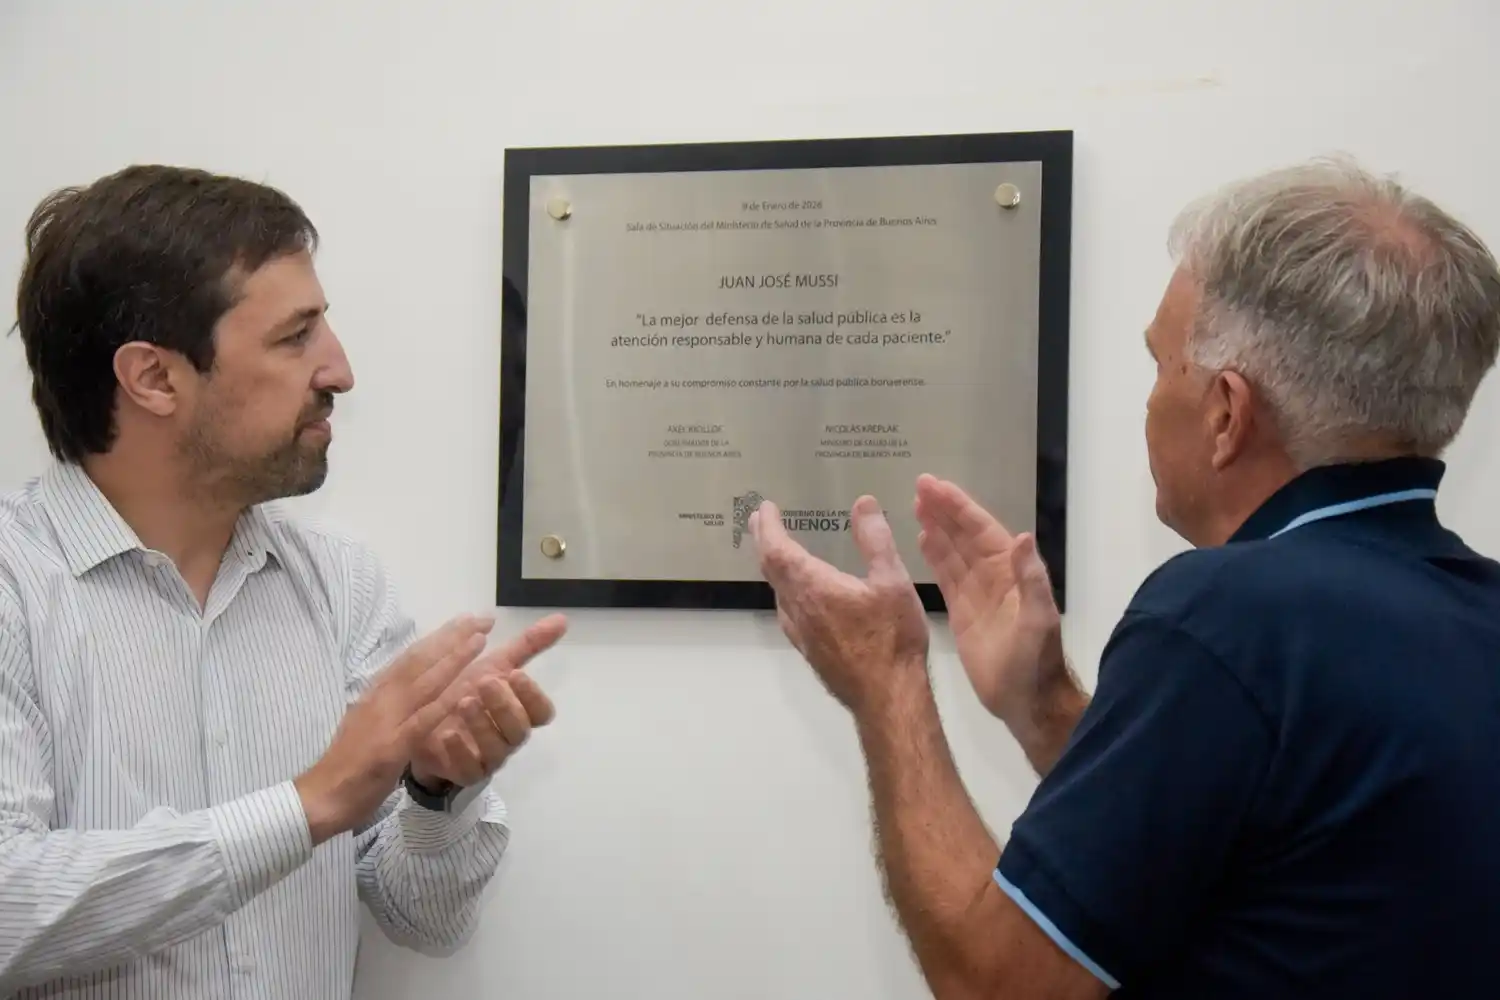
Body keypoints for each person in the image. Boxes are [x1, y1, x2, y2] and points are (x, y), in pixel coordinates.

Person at [748, 157, 1500, 999]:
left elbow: (998, 986)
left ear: (1225, 412)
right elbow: (1265, 839)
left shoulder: (1227, 616)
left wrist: (885, 683)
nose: (1149, 401)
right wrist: (1043, 708)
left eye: (1158, 364)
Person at [0, 165, 567, 998]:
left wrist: (436, 791)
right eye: (294, 336)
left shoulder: (340, 587)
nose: (339, 371)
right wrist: (310, 804)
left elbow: (429, 921)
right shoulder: (15, 585)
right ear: (154, 378)